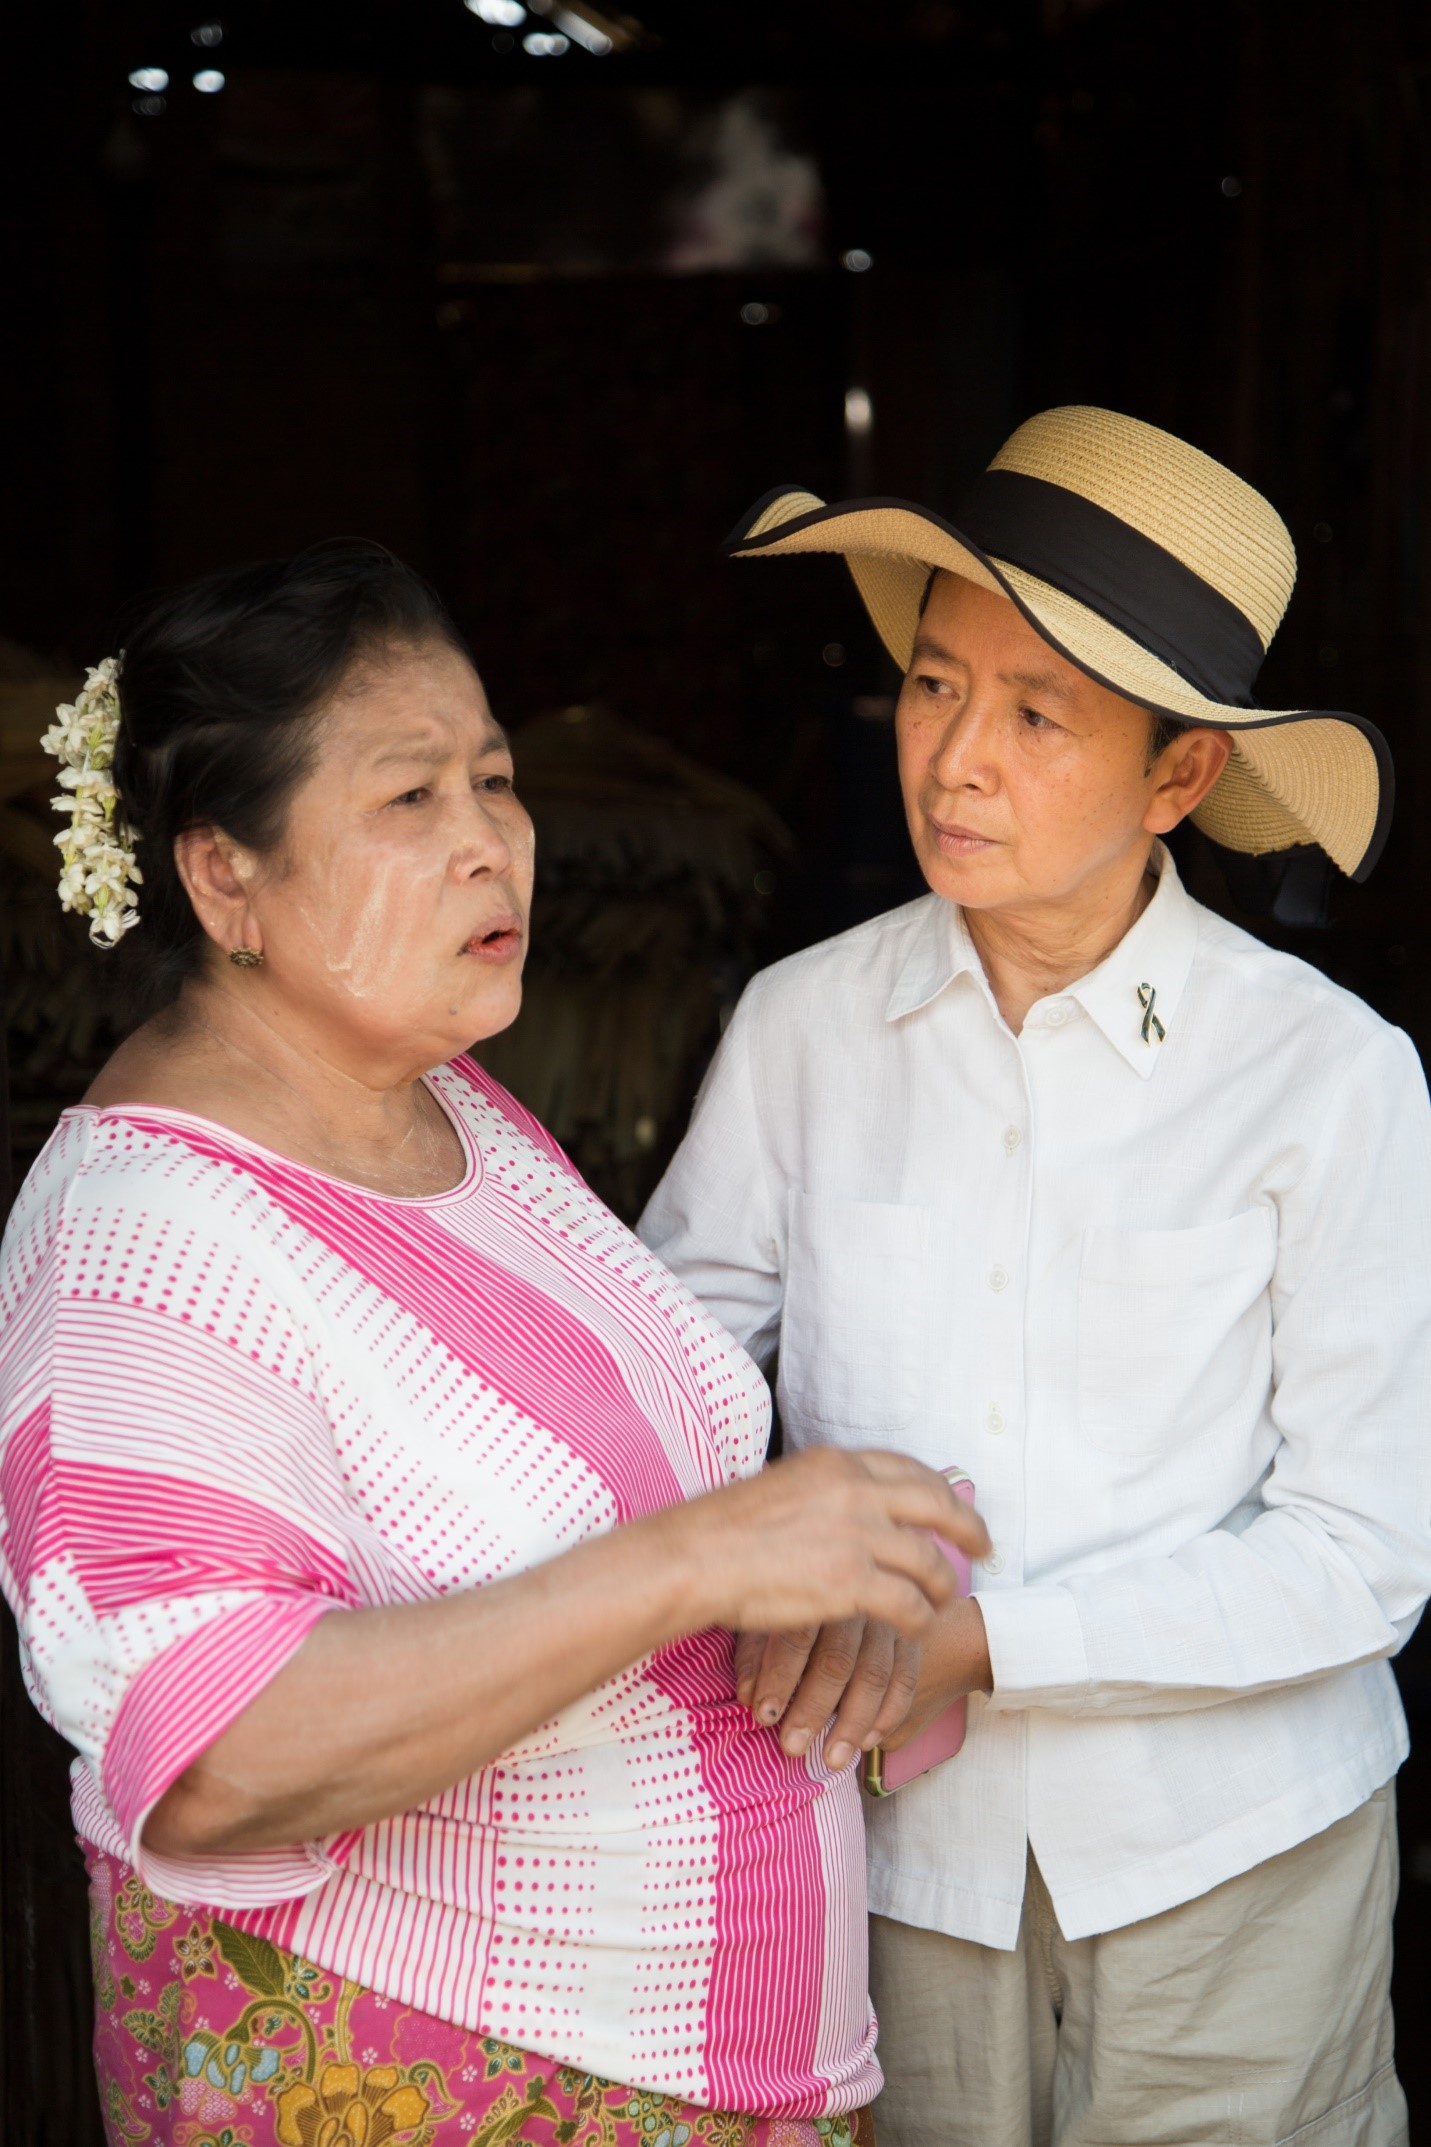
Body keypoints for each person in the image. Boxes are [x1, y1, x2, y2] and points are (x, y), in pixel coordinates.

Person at [0, 540, 990, 2147]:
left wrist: (827, 1582)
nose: (491, 846)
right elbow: (214, 1752)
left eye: (497, 779)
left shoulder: (442, 1100)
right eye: (409, 800)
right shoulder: (146, 1241)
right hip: (436, 2079)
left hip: (699, 2073)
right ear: (223, 877)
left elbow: (626, 1491)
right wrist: (697, 1564)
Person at [640, 406, 1431, 2147]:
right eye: (935, 685)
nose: (954, 759)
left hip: (1233, 1868)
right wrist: (763, 1557)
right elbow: (664, 1385)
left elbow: (1366, 1558)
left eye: (1037, 713)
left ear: (1180, 777)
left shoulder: (1326, 1075)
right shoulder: (806, 1025)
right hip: (898, 1863)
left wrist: (990, 1644)